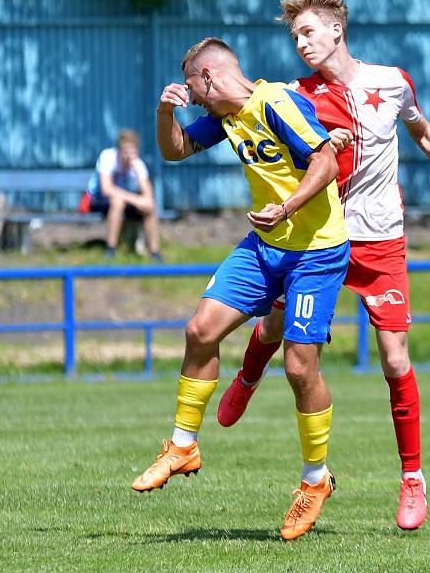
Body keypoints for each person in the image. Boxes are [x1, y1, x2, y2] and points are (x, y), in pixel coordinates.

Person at [214, 0, 430, 531]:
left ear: (336, 31)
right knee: (274, 325)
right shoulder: (294, 95)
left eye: (308, 32)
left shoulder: (391, 82)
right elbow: (285, 146)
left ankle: (413, 479)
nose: (300, 43)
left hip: (382, 241)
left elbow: (421, 131)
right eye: (294, 35)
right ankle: (247, 380)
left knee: (395, 360)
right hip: (321, 236)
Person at [131, 37, 350, 542]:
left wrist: (287, 207)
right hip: (265, 245)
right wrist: (165, 113)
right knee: (200, 330)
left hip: (316, 250)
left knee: (299, 366)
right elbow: (176, 151)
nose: (193, 97)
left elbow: (326, 161)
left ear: (209, 77)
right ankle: (183, 445)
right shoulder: (228, 117)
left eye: (191, 87)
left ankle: (315, 481)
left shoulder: (275, 103)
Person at [83, 128, 163, 261]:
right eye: (125, 151)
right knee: (117, 201)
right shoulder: (108, 157)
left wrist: (137, 171)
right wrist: (137, 200)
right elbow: (106, 189)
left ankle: (155, 253)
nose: (129, 155)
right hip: (99, 199)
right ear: (119, 149)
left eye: (132, 151)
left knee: (149, 207)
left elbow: (148, 196)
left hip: (126, 201)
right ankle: (110, 250)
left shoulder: (138, 164)